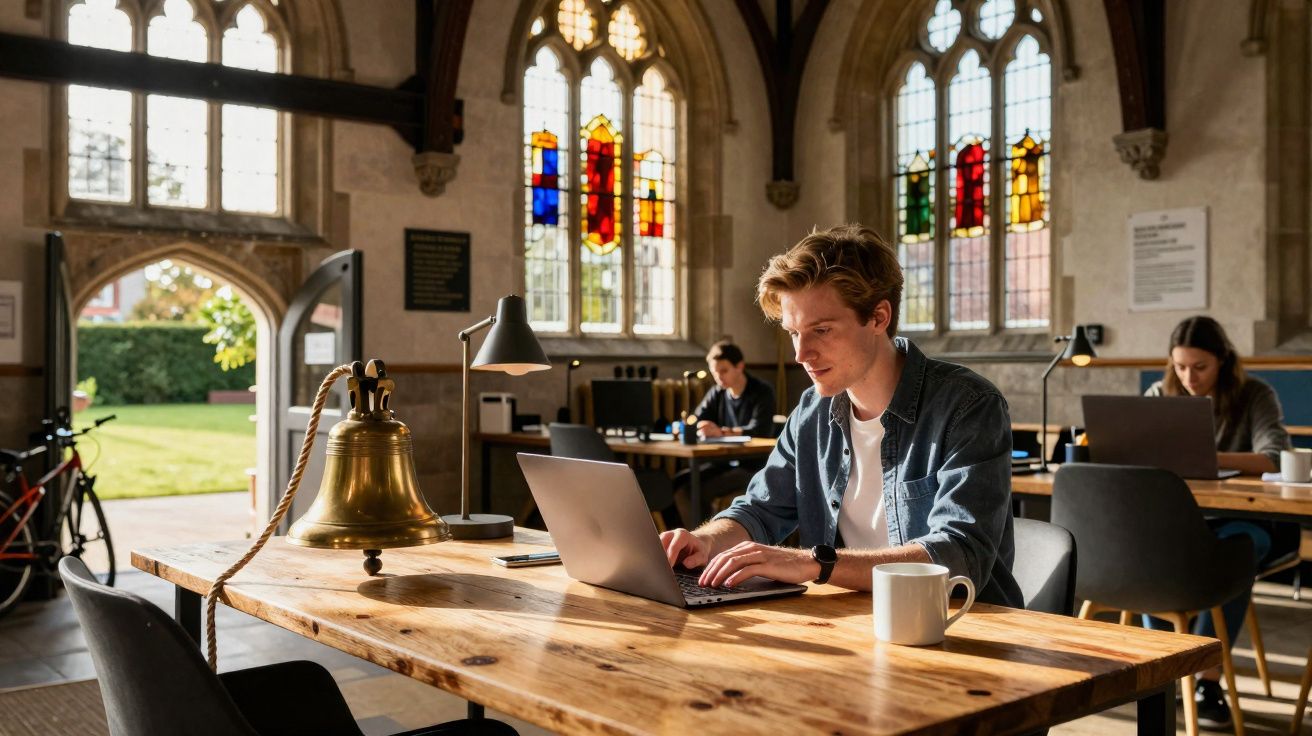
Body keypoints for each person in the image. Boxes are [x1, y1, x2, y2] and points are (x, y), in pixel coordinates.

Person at [660, 224, 1022, 608]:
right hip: (855, 625)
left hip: (967, 628)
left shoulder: (968, 405)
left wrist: (814, 563)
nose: (802, 354)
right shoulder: (812, 413)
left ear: (879, 317)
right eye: (794, 333)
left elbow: (958, 553)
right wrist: (706, 541)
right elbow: (759, 510)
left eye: (822, 330)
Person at [1144, 315, 1296, 730]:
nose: (1189, 377)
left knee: (1235, 551)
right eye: (1180, 366)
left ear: (1223, 362)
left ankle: (1208, 680)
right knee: (1144, 551)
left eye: (1200, 367)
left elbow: (1276, 456)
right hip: (1180, 521)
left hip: (1244, 519)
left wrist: (1202, 456)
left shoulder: (1254, 395)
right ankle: (1162, 669)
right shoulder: (1160, 393)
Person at [688, 341, 775, 439]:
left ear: (740, 366)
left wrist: (721, 432)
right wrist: (693, 425)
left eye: (724, 371)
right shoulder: (717, 392)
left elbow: (760, 430)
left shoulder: (763, 391)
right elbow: (698, 417)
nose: (718, 377)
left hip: (754, 453)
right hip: (723, 452)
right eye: (714, 372)